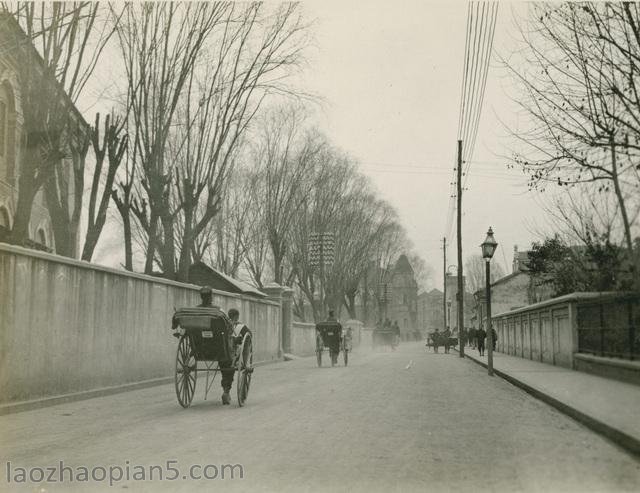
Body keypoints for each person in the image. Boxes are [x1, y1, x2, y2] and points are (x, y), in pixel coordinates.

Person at [219, 308, 252, 405]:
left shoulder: (222, 324)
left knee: (224, 370)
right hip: (232, 353)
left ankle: (226, 391)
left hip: (221, 352)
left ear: (228, 315)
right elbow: (249, 338)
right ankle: (226, 392)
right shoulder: (241, 327)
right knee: (231, 368)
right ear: (237, 316)